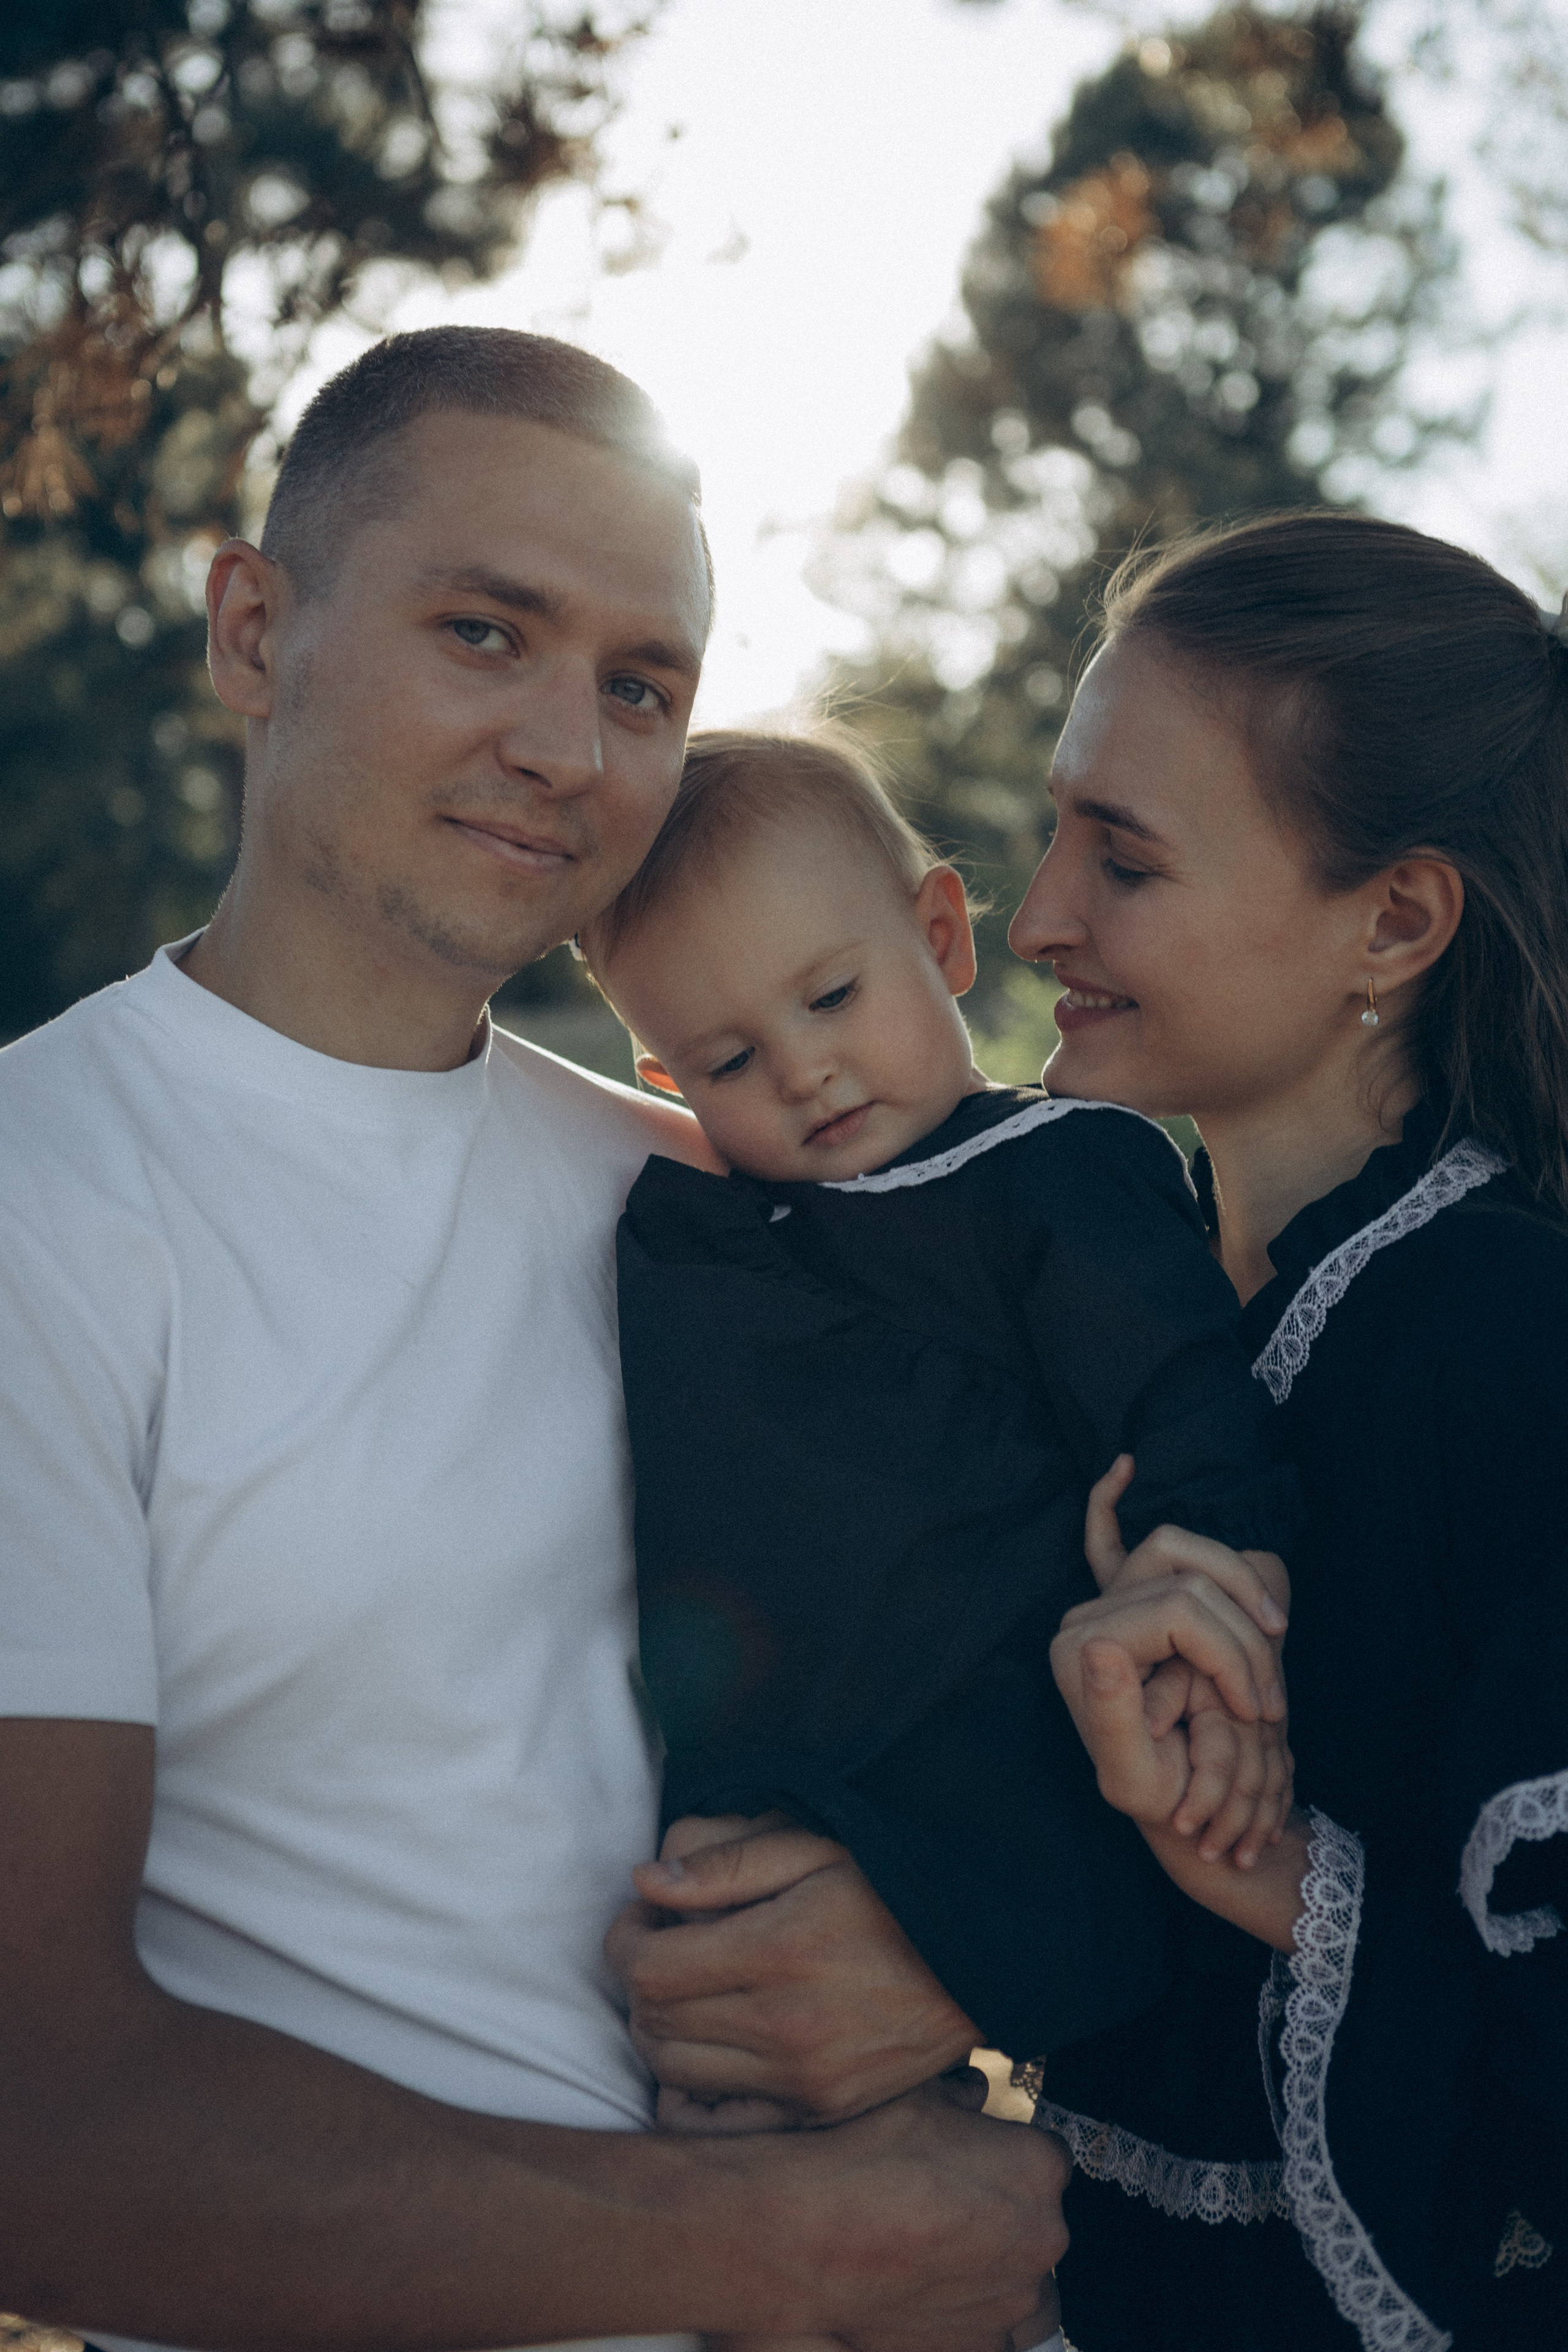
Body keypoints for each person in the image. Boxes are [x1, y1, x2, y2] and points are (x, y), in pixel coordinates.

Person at [0, 325, 1071, 2352]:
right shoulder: (38, 1207)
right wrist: (796, 2248)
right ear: (251, 628)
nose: (574, 754)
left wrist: (959, 1936)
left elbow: (1056, 1610)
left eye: (640, 686)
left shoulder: (718, 1202)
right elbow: (31, 2124)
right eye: (485, 632)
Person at [1008, 511, 1568, 2351]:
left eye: (1128, 857)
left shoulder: (1512, 1345)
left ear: (1397, 919)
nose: (1036, 921)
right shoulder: (1098, 1308)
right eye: (1054, 829)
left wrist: (1267, 1870)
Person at [581, 725, 1296, 2116]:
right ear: (667, 1085)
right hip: (762, 1774)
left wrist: (1205, 1561)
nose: (803, 1073)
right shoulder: (724, 1231)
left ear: (940, 934)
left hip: (980, 1748)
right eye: (727, 1058)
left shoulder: (1054, 1173)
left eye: (833, 996)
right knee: (736, 2132)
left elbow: (1180, 1396)